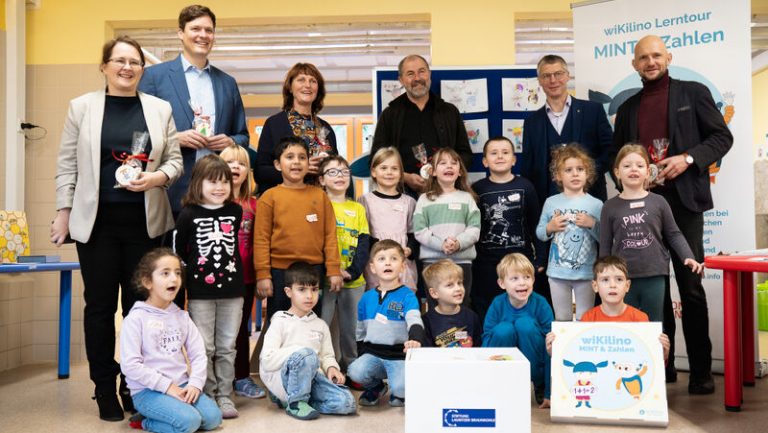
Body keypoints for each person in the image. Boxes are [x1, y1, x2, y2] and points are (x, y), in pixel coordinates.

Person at [50, 36, 182, 421]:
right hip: (97, 223)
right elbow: (66, 164)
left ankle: (134, 384)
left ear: (143, 68)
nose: (127, 68)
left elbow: (174, 161)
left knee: (141, 309)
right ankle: (104, 387)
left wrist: (156, 177)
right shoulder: (82, 107)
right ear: (104, 65)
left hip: (146, 224)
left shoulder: (159, 109)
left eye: (135, 62)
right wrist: (63, 211)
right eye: (119, 61)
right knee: (101, 306)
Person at [612, 35, 733, 395]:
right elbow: (616, 158)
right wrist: (632, 182)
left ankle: (701, 372)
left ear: (668, 57)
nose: (650, 62)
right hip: (642, 205)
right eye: (643, 57)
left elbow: (721, 137)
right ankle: (660, 369)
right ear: (634, 64)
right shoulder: (629, 106)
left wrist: (688, 158)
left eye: (656, 56)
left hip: (684, 204)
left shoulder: (693, 92)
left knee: (690, 287)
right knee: (653, 289)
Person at [139, 4, 249, 216]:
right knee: (170, 250)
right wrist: (174, 138)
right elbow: (138, 134)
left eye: (208, 30)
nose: (203, 35)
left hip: (219, 192)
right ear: (181, 33)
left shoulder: (227, 83)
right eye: (195, 29)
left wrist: (230, 141)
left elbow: (242, 135)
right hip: (170, 190)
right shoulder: (154, 77)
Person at [120, 248, 222, 432]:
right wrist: (167, 387)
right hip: (147, 392)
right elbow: (130, 365)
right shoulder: (135, 319)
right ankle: (144, 421)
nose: (174, 279)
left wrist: (195, 384)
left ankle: (165, 413)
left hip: (181, 385)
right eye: (165, 273)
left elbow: (199, 354)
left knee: (213, 419)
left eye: (177, 273)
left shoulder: (181, 316)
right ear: (147, 282)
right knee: (189, 422)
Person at [600, 144, 703, 327]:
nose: (633, 169)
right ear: (617, 172)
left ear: (648, 172)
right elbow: (605, 243)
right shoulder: (610, 206)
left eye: (639, 166)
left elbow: (674, 234)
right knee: (626, 326)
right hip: (622, 278)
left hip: (655, 274)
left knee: (654, 326)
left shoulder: (659, 202)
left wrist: (688, 256)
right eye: (627, 165)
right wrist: (603, 275)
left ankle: (657, 356)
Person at [173, 155, 244, 419]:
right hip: (200, 293)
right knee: (204, 346)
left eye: (225, 181)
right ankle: (208, 392)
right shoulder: (188, 214)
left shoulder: (235, 212)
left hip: (233, 291)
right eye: (212, 182)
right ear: (197, 184)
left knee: (227, 346)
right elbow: (176, 253)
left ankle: (225, 395)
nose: (220, 187)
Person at [254, 136, 343, 323]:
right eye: (290, 157)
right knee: (279, 325)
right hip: (280, 272)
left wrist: (334, 270)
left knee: (311, 324)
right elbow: (261, 239)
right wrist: (263, 275)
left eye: (302, 157)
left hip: (314, 271)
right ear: (278, 165)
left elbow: (330, 236)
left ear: (309, 163)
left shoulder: (320, 196)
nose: (296, 162)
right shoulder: (269, 197)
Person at [259, 262, 357, 420]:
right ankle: (295, 402)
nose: (309, 296)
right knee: (307, 355)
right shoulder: (280, 322)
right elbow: (267, 361)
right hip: (283, 378)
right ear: (288, 292)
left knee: (347, 403)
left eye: (314, 289)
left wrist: (332, 368)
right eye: (302, 290)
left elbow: (327, 355)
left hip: (312, 380)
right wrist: (301, 352)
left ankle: (294, 400)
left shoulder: (320, 325)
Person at [371, 54, 473, 196]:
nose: (417, 78)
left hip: (445, 193)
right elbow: (377, 158)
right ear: (401, 80)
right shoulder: (390, 114)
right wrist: (404, 177)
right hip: (402, 194)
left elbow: (465, 154)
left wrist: (443, 174)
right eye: (410, 74)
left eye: (422, 71)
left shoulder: (449, 112)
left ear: (429, 74)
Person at [518, 54, 613, 202]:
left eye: (558, 74)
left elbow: (610, 152)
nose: (553, 80)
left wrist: (587, 172)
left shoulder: (593, 111)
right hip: (547, 204)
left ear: (568, 76)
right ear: (539, 81)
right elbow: (527, 168)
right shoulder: (531, 122)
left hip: (590, 199)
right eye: (546, 75)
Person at [472, 136, 544, 323]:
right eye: (494, 153)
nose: (500, 157)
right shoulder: (477, 189)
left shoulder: (525, 186)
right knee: (488, 311)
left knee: (522, 311)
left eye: (505, 152)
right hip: (486, 264)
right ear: (485, 161)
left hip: (521, 260)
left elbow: (537, 224)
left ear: (514, 159)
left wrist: (540, 259)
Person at [546, 255, 671, 363]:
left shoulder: (640, 319)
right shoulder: (588, 319)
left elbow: (648, 361)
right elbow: (580, 357)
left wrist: (662, 354)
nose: (612, 285)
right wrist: (556, 352)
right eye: (605, 280)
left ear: (627, 286)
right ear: (595, 286)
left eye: (619, 279)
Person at [347, 240, 425, 407]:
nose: (388, 262)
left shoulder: (408, 296)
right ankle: (376, 387)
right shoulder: (366, 298)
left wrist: (415, 338)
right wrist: (361, 354)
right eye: (381, 259)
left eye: (394, 258)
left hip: (398, 357)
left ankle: (398, 390)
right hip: (373, 355)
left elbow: (415, 320)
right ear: (373, 267)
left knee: (401, 391)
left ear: (403, 266)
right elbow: (360, 330)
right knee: (355, 371)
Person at [219, 144, 266, 400]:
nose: (235, 167)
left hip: (246, 277)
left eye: (240, 163)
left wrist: (261, 275)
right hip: (217, 279)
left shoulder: (254, 204)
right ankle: (216, 378)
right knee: (218, 331)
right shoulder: (211, 201)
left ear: (248, 171)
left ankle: (241, 377)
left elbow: (260, 242)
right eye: (229, 162)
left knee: (240, 330)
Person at [535, 144, 602, 321]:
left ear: (587, 174)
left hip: (586, 274)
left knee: (584, 318)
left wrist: (592, 224)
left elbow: (605, 237)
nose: (575, 174)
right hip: (557, 274)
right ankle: (563, 350)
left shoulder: (596, 204)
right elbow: (540, 233)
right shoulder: (551, 202)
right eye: (568, 170)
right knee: (562, 318)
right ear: (558, 176)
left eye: (580, 169)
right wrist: (551, 227)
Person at [318, 155, 371, 370]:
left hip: (353, 280)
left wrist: (353, 270)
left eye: (344, 171)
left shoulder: (357, 208)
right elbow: (316, 242)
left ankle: (352, 367)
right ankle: (323, 369)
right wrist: (331, 269)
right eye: (332, 172)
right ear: (321, 180)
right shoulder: (319, 205)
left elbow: (363, 241)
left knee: (352, 328)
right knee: (321, 326)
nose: (339, 176)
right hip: (325, 279)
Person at [482, 253, 552, 409]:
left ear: (533, 279)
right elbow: (487, 342)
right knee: (503, 330)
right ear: (502, 283)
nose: (522, 283)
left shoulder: (541, 303)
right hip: (502, 364)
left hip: (535, 361)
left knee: (525, 325)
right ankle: (499, 384)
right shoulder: (497, 304)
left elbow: (552, 348)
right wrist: (485, 380)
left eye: (527, 277)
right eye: (514, 278)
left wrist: (549, 392)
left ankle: (539, 384)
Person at [255, 63, 338, 193]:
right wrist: (300, 168)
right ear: (290, 88)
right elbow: (261, 172)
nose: (308, 85)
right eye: (301, 80)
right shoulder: (274, 124)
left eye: (313, 81)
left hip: (321, 200)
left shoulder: (325, 128)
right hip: (286, 201)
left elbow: (335, 168)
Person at [413, 148, 481, 304]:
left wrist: (457, 243)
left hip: (462, 262)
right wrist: (441, 245)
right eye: (442, 163)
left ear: (460, 172)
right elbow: (420, 230)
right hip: (433, 263)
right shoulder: (424, 199)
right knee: (435, 305)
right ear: (433, 171)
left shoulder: (467, 198)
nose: (449, 166)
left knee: (461, 304)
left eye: (453, 163)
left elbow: (474, 229)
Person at [358, 147, 419, 290]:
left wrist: (409, 250)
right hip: (376, 262)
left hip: (402, 262)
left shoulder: (409, 202)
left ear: (400, 173)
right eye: (383, 168)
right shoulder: (365, 200)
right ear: (374, 172)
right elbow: (362, 235)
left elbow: (414, 234)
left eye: (394, 168)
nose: (389, 172)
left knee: (403, 303)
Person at [421, 260, 482, 347]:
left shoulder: (472, 317)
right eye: (450, 285)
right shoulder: (426, 321)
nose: (458, 288)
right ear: (434, 293)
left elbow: (478, 347)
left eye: (459, 283)